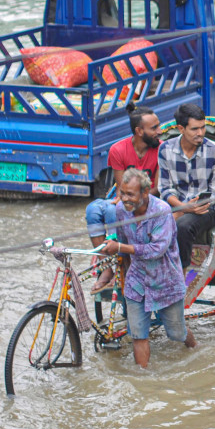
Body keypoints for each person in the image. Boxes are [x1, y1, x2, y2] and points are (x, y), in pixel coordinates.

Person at [100, 168, 196, 368]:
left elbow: (157, 250)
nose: (125, 199)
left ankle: (194, 347)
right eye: (122, 193)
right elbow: (122, 240)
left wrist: (120, 247)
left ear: (144, 193)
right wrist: (123, 270)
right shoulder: (120, 210)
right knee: (138, 334)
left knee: (176, 333)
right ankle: (143, 381)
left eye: (130, 194)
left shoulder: (161, 211)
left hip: (166, 280)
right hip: (137, 282)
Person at [85, 103, 161, 290]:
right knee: (94, 209)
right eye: (154, 128)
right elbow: (121, 189)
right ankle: (108, 265)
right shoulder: (118, 150)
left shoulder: (162, 150)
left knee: (118, 210)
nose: (160, 131)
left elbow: (157, 188)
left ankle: (123, 268)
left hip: (150, 201)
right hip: (127, 198)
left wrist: (134, 198)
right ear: (139, 131)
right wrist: (127, 197)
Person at [158, 103, 215, 270]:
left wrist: (191, 208)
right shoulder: (165, 149)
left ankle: (180, 271)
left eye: (203, 127)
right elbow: (165, 189)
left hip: (207, 209)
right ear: (181, 128)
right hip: (177, 204)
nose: (200, 133)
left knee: (182, 226)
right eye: (195, 129)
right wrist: (184, 208)